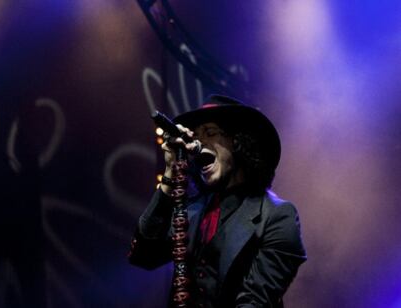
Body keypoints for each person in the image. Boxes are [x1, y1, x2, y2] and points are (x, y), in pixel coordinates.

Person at [128, 95, 307, 307]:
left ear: (239, 142)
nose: (197, 143)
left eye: (210, 133)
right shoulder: (192, 210)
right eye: (195, 136)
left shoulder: (277, 216)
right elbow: (144, 256)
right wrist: (169, 174)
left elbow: (255, 301)